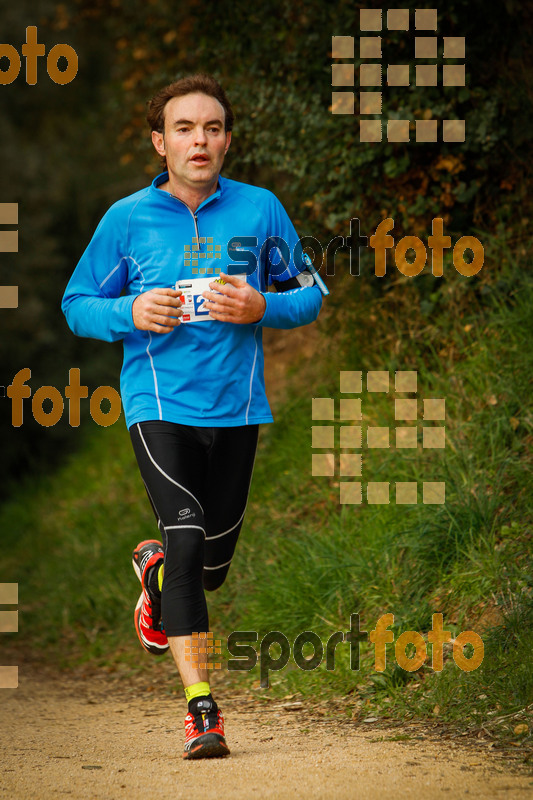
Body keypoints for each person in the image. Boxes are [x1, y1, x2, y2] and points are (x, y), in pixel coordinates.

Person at [62, 73, 324, 760]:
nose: (198, 140)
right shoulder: (126, 220)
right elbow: (76, 302)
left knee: (209, 568)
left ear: (227, 139)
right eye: (183, 128)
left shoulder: (260, 210)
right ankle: (201, 711)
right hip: (158, 406)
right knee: (185, 537)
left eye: (211, 128)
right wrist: (129, 312)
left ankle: (153, 577)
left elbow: (310, 294)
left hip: (236, 411)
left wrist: (263, 306)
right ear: (160, 141)